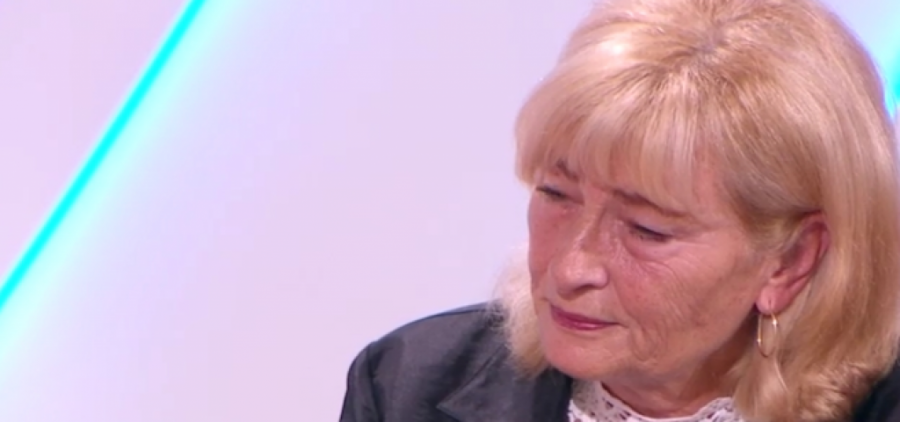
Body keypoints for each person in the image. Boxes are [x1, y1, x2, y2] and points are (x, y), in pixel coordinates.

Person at [339, 0, 900, 420]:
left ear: (790, 261)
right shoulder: (405, 386)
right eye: (555, 194)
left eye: (647, 229)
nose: (570, 270)